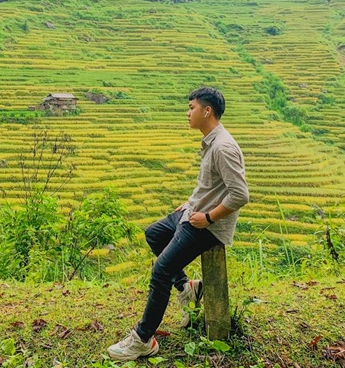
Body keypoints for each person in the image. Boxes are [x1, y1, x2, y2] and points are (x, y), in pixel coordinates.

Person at [107, 86, 250, 361]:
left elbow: (240, 194)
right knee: (154, 234)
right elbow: (211, 185)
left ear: (207, 111)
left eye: (191, 107)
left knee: (161, 272)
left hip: (207, 226)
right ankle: (186, 288)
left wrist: (208, 217)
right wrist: (191, 203)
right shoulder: (210, 141)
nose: (188, 113)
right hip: (193, 213)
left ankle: (143, 339)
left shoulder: (223, 147)